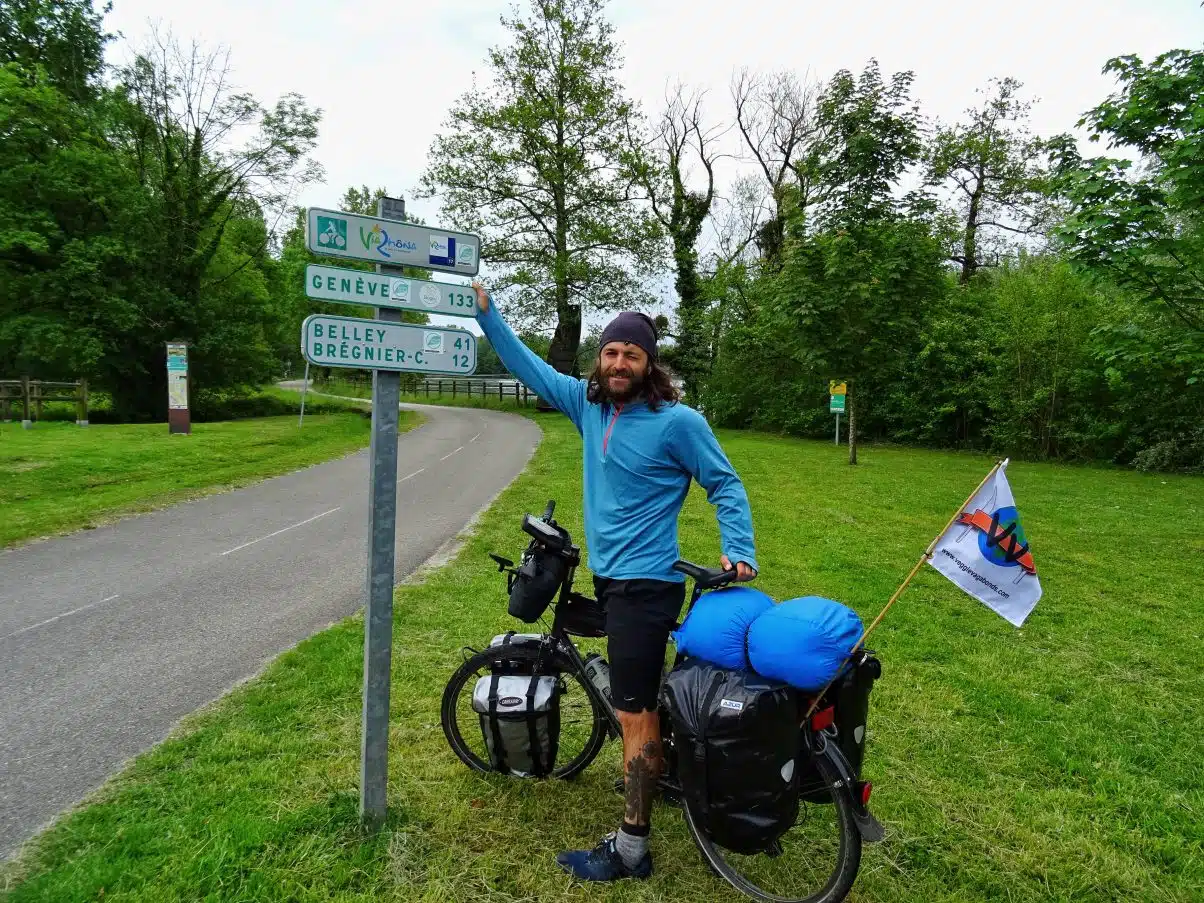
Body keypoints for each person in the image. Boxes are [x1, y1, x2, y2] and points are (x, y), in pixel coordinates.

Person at [472, 283, 758, 882]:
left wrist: (740, 551)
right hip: (609, 581)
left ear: (649, 363)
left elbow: (725, 483)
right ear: (598, 359)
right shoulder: (588, 405)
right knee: (639, 696)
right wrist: (487, 316)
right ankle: (668, 759)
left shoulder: (677, 422)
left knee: (634, 714)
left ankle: (632, 849)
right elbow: (529, 367)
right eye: (611, 352)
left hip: (646, 586)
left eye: (632, 353)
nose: (619, 363)